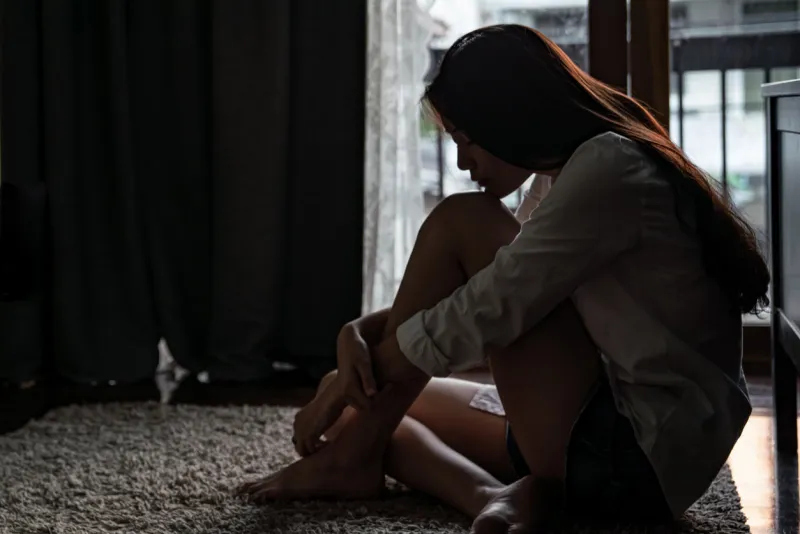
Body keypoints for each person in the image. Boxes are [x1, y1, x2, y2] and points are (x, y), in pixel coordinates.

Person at [237, 24, 769, 533]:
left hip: (631, 455)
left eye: (468, 140)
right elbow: (479, 293)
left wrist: (366, 365)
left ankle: (351, 460)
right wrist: (355, 334)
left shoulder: (608, 169)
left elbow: (490, 306)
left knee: (459, 221)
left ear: (510, 116)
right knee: (356, 397)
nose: (465, 162)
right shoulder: (571, 171)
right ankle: (489, 496)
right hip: (605, 436)